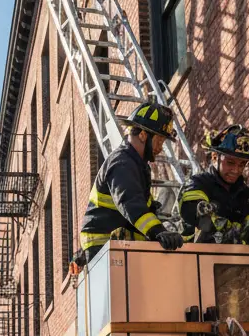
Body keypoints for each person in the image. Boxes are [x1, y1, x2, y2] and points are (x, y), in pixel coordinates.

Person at [78, 102, 185, 262]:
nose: (161, 148)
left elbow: (139, 204)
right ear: (143, 135)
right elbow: (130, 203)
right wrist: (158, 231)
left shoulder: (138, 165)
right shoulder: (122, 163)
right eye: (159, 141)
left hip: (118, 245)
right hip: (102, 247)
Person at [179, 125, 249, 245]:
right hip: (195, 258)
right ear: (214, 157)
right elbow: (195, 215)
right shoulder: (197, 184)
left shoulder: (247, 196)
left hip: (232, 261)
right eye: (230, 162)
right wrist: (229, 229)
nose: (236, 170)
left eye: (242, 164)